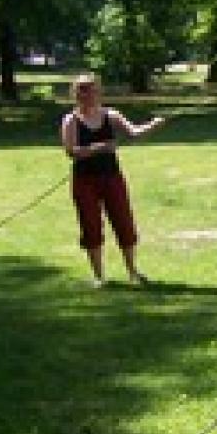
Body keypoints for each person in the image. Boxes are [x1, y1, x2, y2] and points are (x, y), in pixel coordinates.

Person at [60, 74, 165, 286]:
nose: (87, 94)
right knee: (90, 225)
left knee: (123, 221)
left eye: (91, 89)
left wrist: (152, 125)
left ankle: (133, 272)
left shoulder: (111, 115)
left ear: (98, 92)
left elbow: (133, 133)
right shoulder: (71, 120)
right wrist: (100, 147)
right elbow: (71, 151)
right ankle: (99, 277)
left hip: (112, 177)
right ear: (75, 94)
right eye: (82, 90)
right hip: (84, 181)